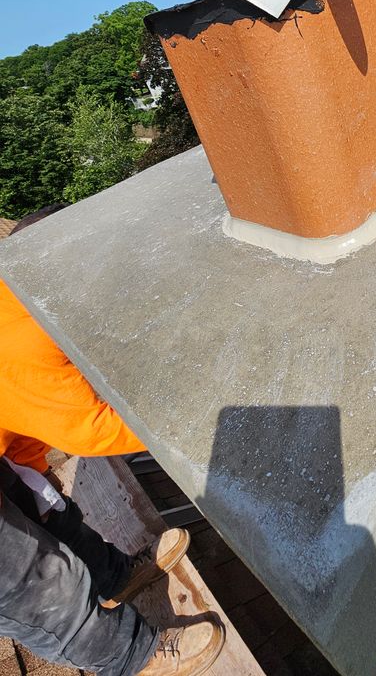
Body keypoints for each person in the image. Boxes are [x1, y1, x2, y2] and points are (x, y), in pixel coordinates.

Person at [0, 220, 225, 676]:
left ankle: (114, 576)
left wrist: (31, 474)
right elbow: (92, 431)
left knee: (48, 510)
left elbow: (17, 421)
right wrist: (191, 423)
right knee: (32, 577)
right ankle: (132, 657)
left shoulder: (22, 293)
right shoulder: (21, 333)